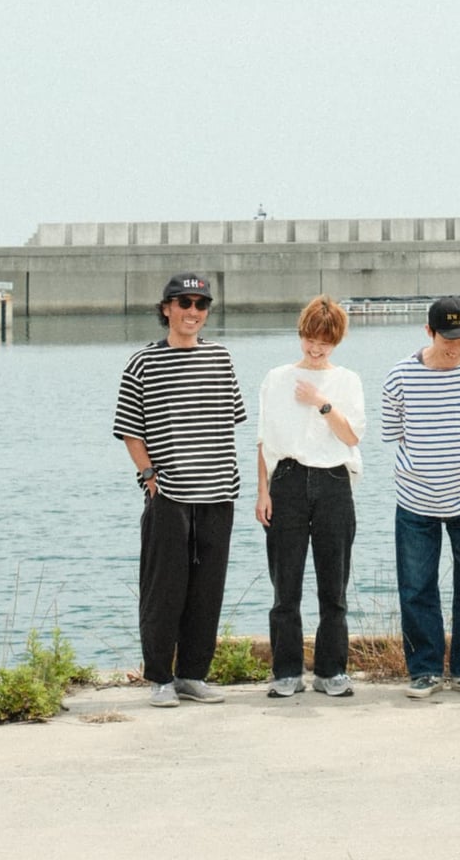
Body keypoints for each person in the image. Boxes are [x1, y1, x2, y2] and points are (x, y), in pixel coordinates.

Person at [113, 272, 247, 707]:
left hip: (218, 493)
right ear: (166, 308)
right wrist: (149, 476)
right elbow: (130, 430)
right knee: (163, 590)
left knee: (207, 591)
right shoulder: (142, 362)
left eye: (201, 304)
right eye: (184, 303)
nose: (193, 312)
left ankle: (192, 675)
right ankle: (160, 678)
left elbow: (230, 420)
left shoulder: (221, 358)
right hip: (168, 495)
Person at [381, 296, 460, 698]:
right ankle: (425, 671)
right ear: (429, 332)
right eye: (449, 338)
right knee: (417, 588)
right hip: (415, 499)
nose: (457, 347)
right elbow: (396, 433)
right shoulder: (399, 376)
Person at [255, 296, 365, 698]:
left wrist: (322, 403)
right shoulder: (276, 378)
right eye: (310, 340)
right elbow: (263, 440)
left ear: (336, 342)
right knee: (285, 585)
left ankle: (331, 670)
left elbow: (351, 436)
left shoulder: (347, 380)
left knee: (333, 584)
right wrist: (262, 492)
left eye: (325, 343)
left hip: (334, 479)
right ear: (301, 335)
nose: (316, 349)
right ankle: (286, 672)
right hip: (286, 479)